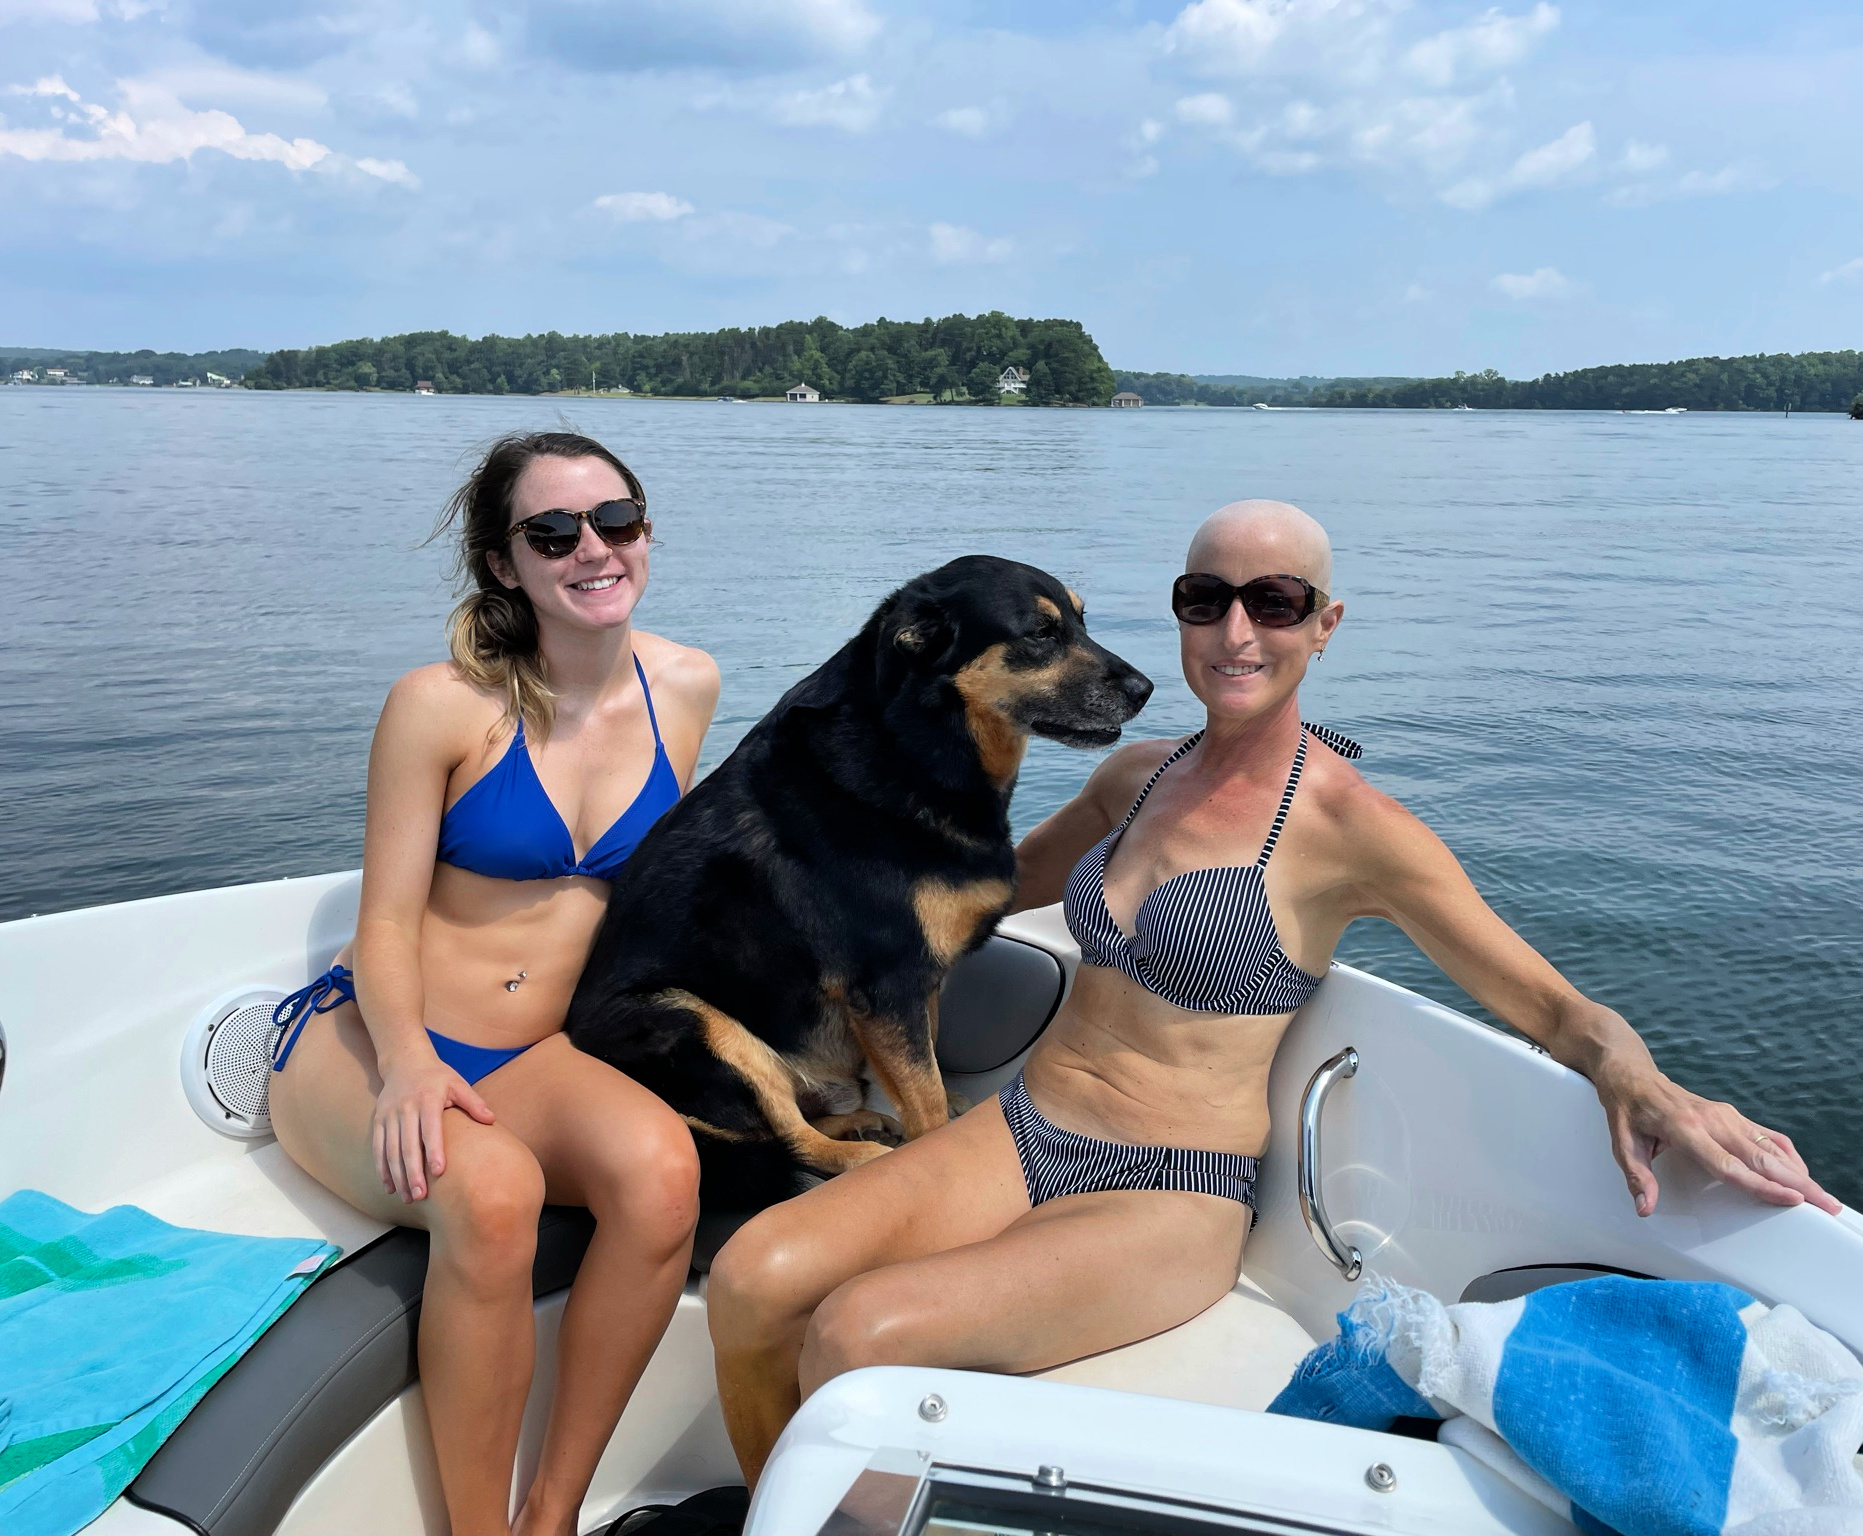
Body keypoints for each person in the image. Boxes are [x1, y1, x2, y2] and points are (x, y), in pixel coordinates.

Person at [705, 497, 1838, 1486]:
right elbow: (974, 892)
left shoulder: (1358, 831)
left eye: (1276, 601)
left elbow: (1552, 1008)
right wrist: (769, 890)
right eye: (1206, 599)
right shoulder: (1133, 777)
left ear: (1324, 625)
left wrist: (1649, 1086)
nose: (1236, 630)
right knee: (756, 1280)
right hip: (1024, 1129)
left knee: (857, 1333)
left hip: (1166, 1189)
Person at [267, 431, 720, 1536]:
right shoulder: (440, 704)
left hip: (538, 1057)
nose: (592, 550)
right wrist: (408, 1067)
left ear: (647, 533)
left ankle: (553, 1512)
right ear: (505, 563)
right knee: (497, 1191)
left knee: (665, 1173)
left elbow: (652, 902)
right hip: (376, 1039)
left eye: (615, 521)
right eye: (553, 532)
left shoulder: (687, 684)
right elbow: (383, 922)